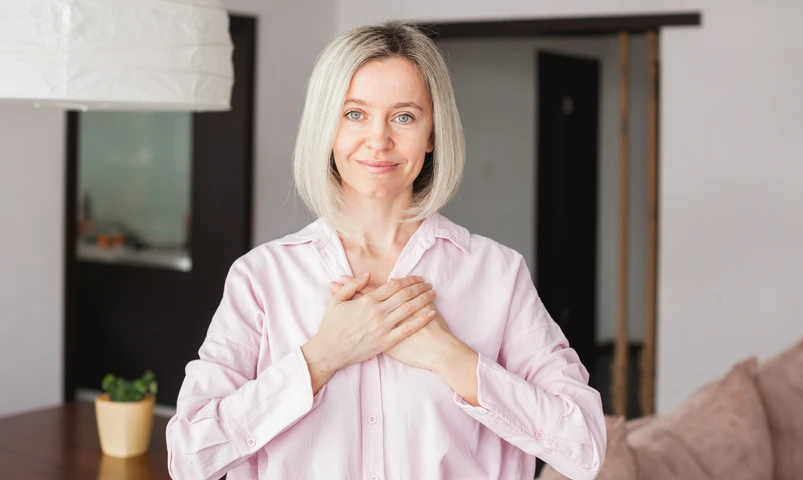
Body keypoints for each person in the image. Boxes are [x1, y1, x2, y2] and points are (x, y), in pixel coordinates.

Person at [166, 21, 606, 480]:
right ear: (327, 127)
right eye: (354, 113)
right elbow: (190, 456)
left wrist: (449, 357)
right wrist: (322, 357)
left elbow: (585, 446)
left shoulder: (497, 274)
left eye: (404, 116)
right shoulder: (261, 278)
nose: (379, 140)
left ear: (433, 133)